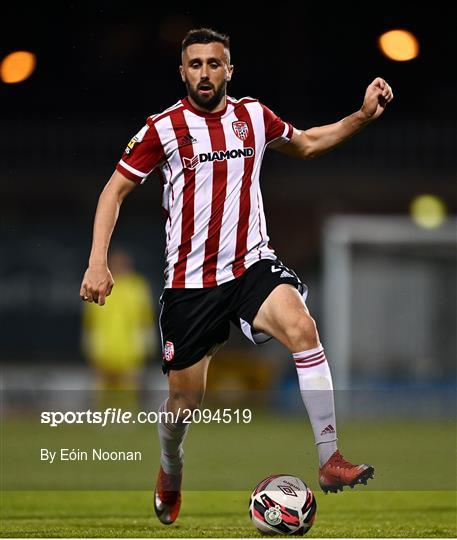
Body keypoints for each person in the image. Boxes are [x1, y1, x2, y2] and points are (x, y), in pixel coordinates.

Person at [80, 27, 393, 525]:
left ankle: (330, 459)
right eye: (195, 64)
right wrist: (98, 261)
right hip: (189, 286)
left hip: (252, 266)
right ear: (182, 72)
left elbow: (308, 143)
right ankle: (169, 467)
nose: (205, 72)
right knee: (184, 404)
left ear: (230, 69)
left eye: (214, 63)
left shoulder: (253, 116)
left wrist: (359, 117)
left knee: (303, 328)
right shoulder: (162, 129)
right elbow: (112, 192)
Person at [81, 248, 156, 394]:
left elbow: (146, 321)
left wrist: (147, 353)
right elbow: (90, 324)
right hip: (102, 356)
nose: (118, 266)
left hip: (132, 357)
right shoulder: (97, 286)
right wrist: (91, 353)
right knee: (103, 400)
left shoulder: (138, 287)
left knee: (129, 399)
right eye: (114, 263)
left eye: (121, 263)